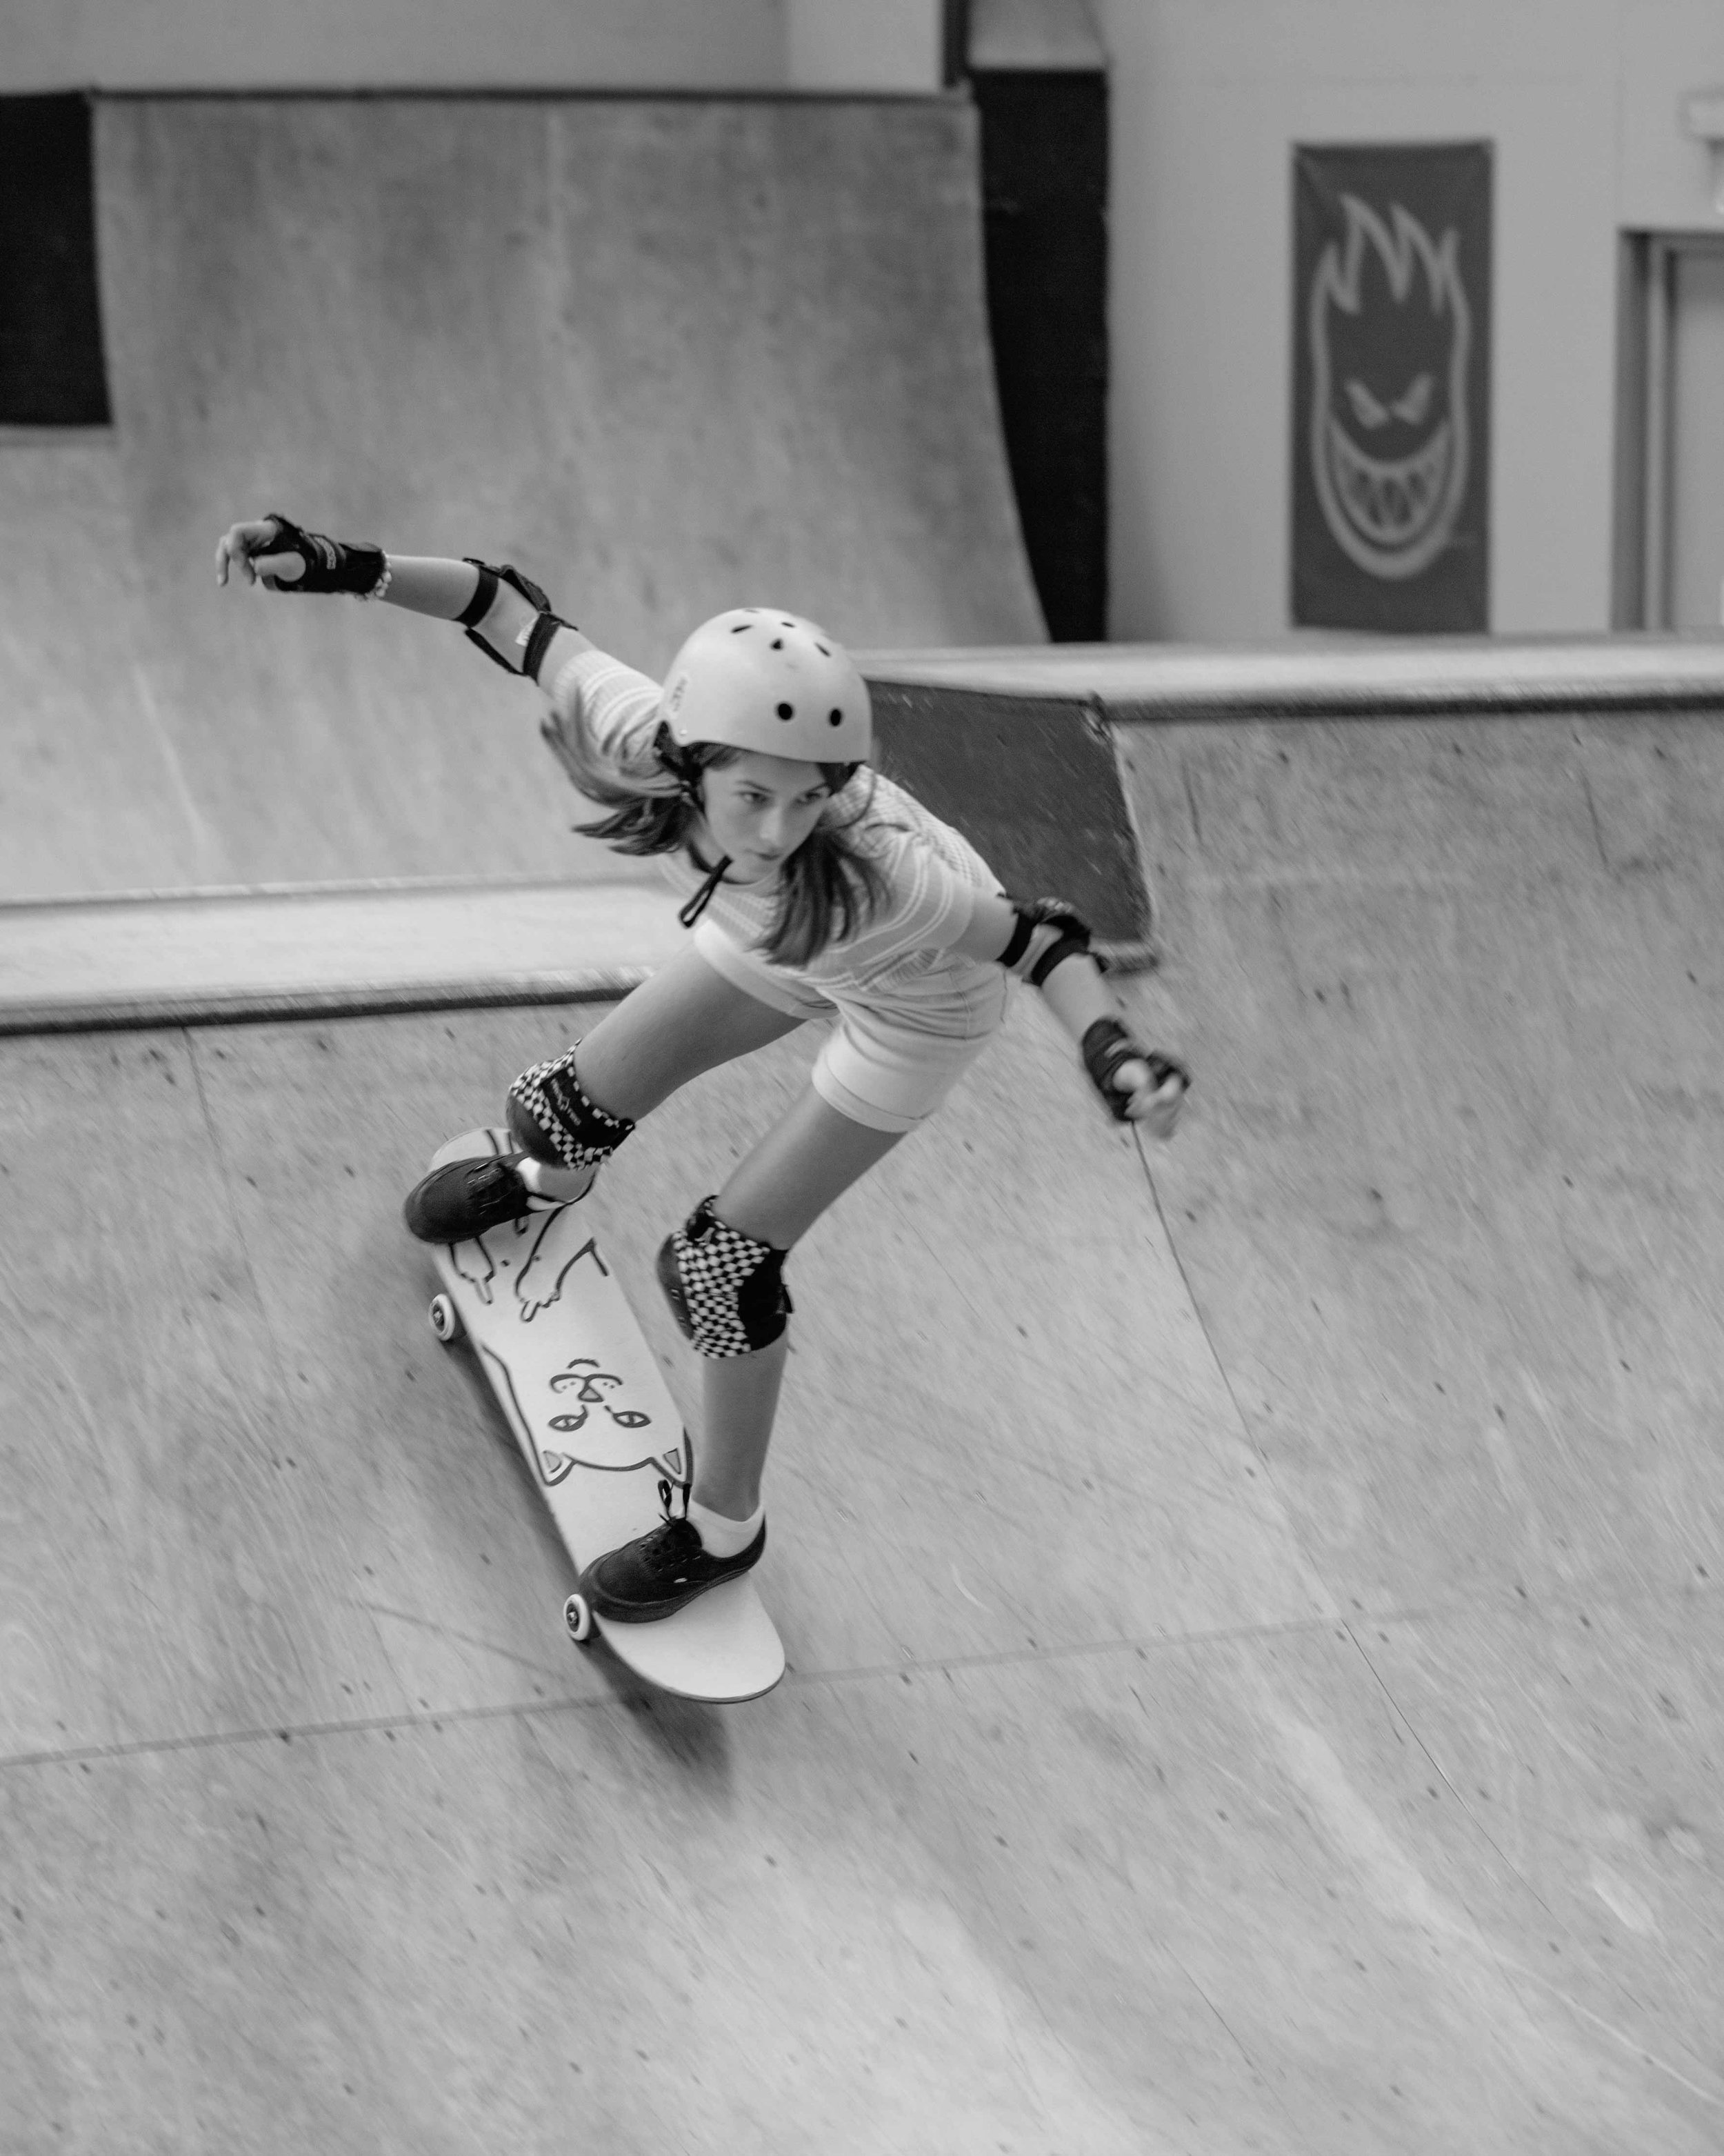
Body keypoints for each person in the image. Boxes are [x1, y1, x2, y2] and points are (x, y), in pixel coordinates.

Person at [215, 512, 1190, 1624]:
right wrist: (339, 565)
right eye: (754, 796)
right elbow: (502, 606)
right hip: (781, 945)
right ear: (690, 761)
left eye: (813, 794)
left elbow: (1039, 940)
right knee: (553, 1114)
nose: (781, 824)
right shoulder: (646, 735)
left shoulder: (879, 872)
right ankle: (545, 1186)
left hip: (919, 1009)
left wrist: (1113, 1049)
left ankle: (724, 1527)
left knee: (719, 1267)